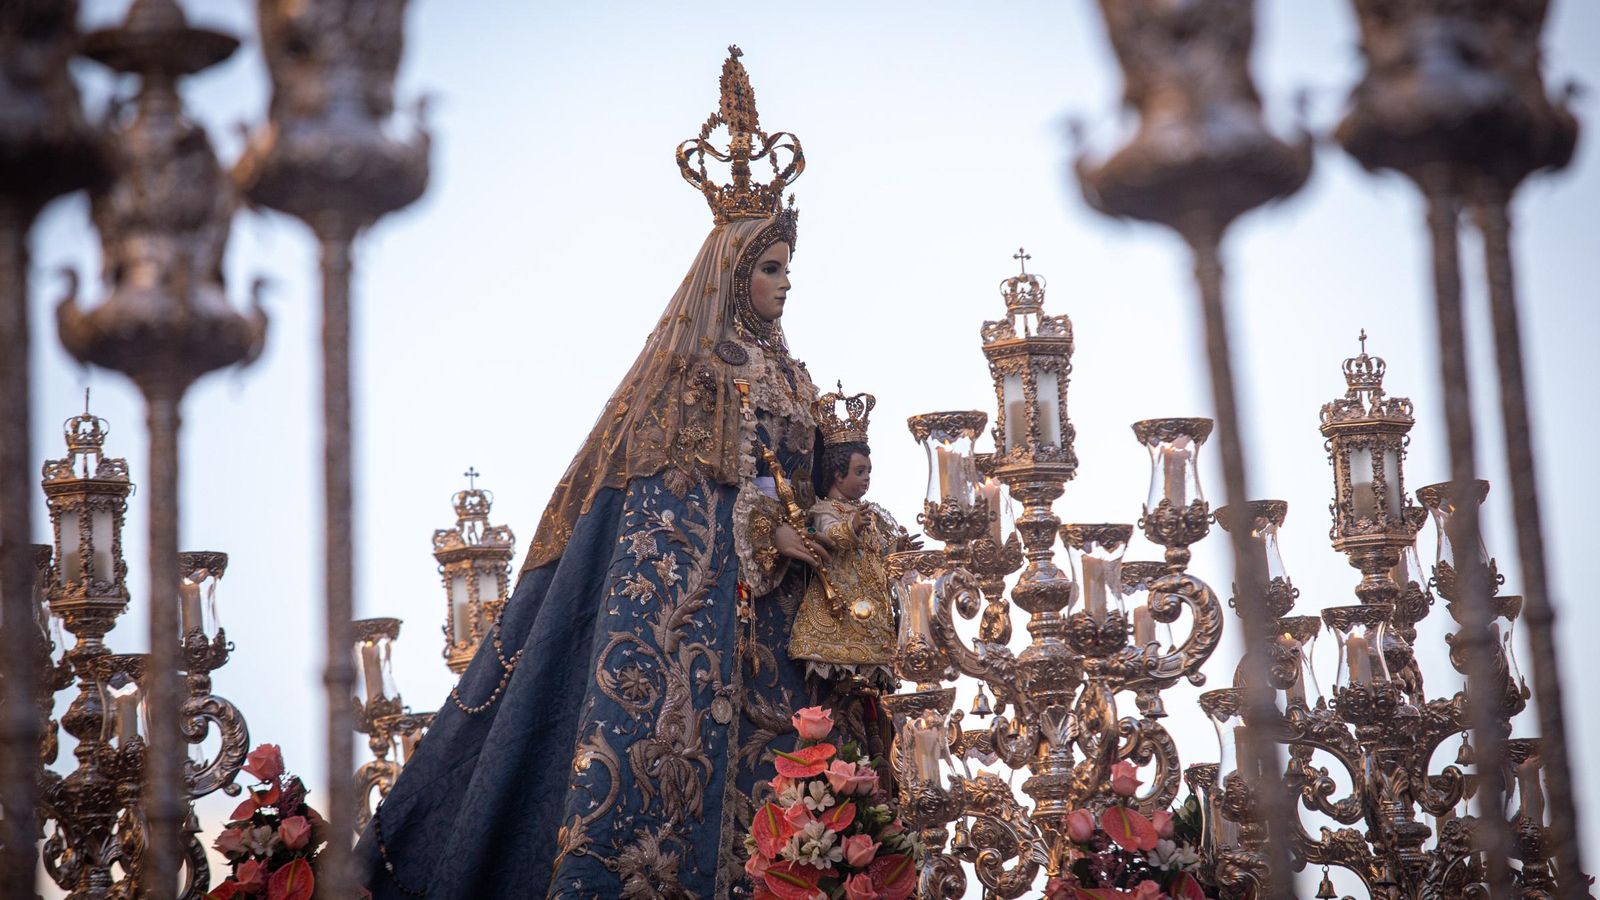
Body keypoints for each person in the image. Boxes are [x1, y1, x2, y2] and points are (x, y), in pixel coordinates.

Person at [358, 48, 872, 898]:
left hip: (796, 626)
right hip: (720, 622)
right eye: (769, 268)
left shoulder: (797, 377)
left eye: (787, 269)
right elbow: (690, 501)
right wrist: (768, 528)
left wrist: (840, 514)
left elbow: (818, 479)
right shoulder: (697, 376)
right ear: (731, 276)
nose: (784, 285)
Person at [787, 385, 902, 691]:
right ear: (838, 475)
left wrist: (900, 551)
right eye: (860, 471)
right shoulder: (825, 508)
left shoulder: (871, 512)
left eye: (868, 472)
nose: (867, 479)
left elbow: (882, 549)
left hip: (874, 607)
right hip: (839, 605)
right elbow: (826, 533)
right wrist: (850, 526)